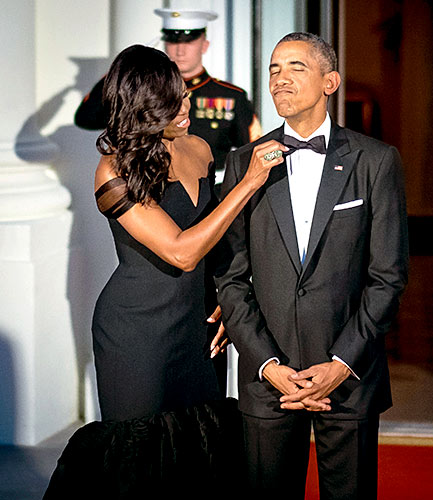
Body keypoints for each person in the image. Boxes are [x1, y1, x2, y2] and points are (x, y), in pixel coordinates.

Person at [42, 44, 285, 499]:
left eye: (186, 95)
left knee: (200, 456)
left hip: (198, 328)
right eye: (175, 100)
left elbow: (216, 246)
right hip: (136, 335)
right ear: (146, 106)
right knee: (139, 465)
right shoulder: (111, 170)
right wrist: (249, 182)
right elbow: (181, 252)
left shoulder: (198, 147)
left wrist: (226, 304)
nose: (188, 105)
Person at [215, 32, 409, 500]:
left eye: (295, 68)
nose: (280, 79)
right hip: (269, 380)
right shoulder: (244, 162)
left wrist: (341, 363)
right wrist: (267, 364)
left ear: (330, 81)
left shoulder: (376, 161)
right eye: (274, 70)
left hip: (348, 377)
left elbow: (388, 276)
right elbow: (230, 276)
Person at [74, 8, 261, 176]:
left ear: (204, 45)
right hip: (155, 187)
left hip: (214, 191)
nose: (180, 51)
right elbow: (86, 118)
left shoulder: (231, 96)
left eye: (189, 42)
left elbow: (254, 149)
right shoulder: (145, 93)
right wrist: (121, 71)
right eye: (173, 42)